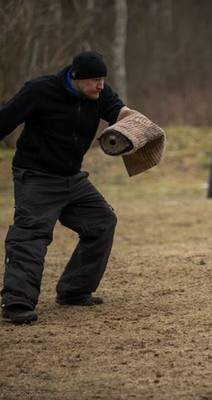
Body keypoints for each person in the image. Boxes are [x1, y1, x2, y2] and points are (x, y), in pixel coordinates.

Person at [0, 51, 131, 324]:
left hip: (72, 178)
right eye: (95, 80)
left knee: (101, 222)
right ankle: (17, 303)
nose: (101, 86)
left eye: (103, 80)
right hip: (36, 176)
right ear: (76, 78)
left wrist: (139, 125)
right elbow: (4, 121)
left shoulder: (99, 94)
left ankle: (74, 290)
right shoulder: (39, 90)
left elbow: (120, 112)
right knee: (30, 235)